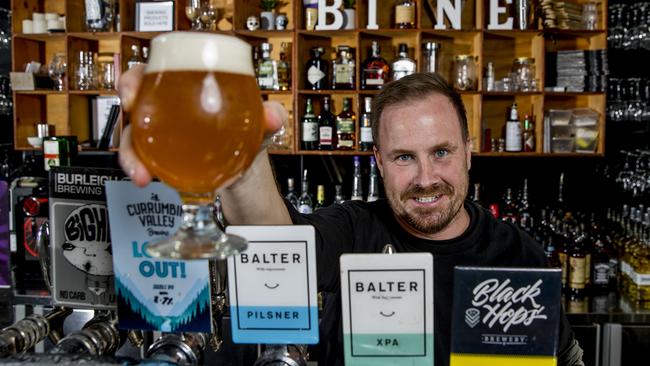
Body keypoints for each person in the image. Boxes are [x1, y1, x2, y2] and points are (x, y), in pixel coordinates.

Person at [118, 69, 584, 366]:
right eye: (404, 157)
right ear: (378, 162)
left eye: (440, 152)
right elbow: (276, 246)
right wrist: (243, 161)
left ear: (468, 152)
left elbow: (564, 358)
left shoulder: (519, 254)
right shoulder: (354, 230)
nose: (426, 178)